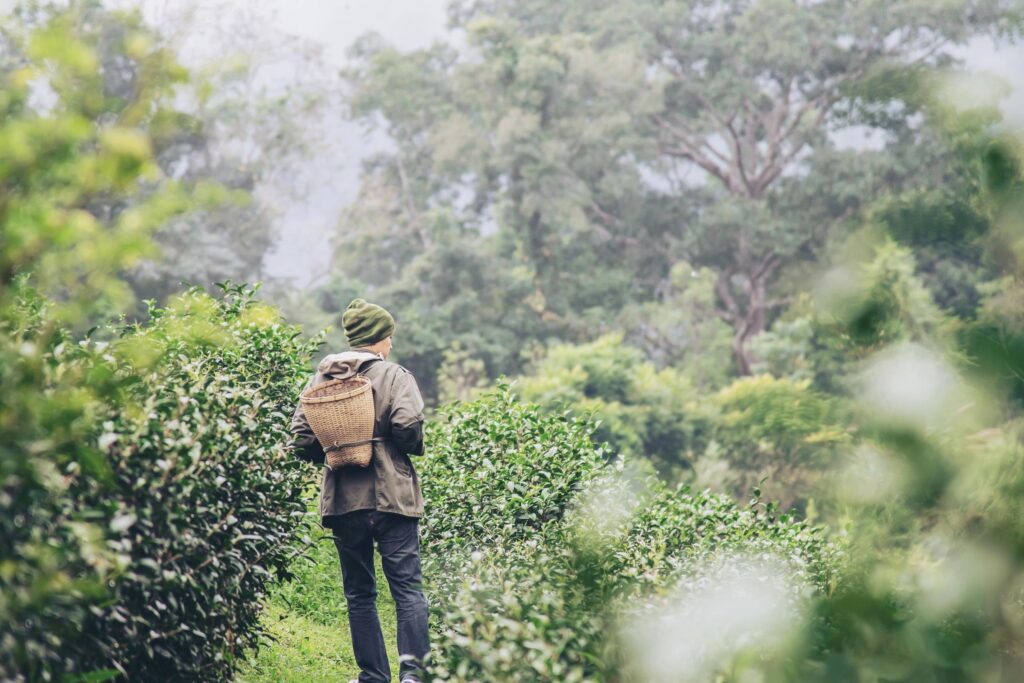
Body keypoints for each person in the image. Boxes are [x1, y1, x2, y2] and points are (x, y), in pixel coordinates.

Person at [291, 298, 430, 683]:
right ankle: (414, 676)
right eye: (389, 338)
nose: (390, 345)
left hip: (344, 499)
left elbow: (302, 440)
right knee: (407, 590)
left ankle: (373, 677)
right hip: (393, 498)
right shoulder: (395, 375)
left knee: (359, 593)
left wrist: (338, 448)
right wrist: (406, 446)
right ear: (379, 339)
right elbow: (407, 426)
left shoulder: (320, 379)